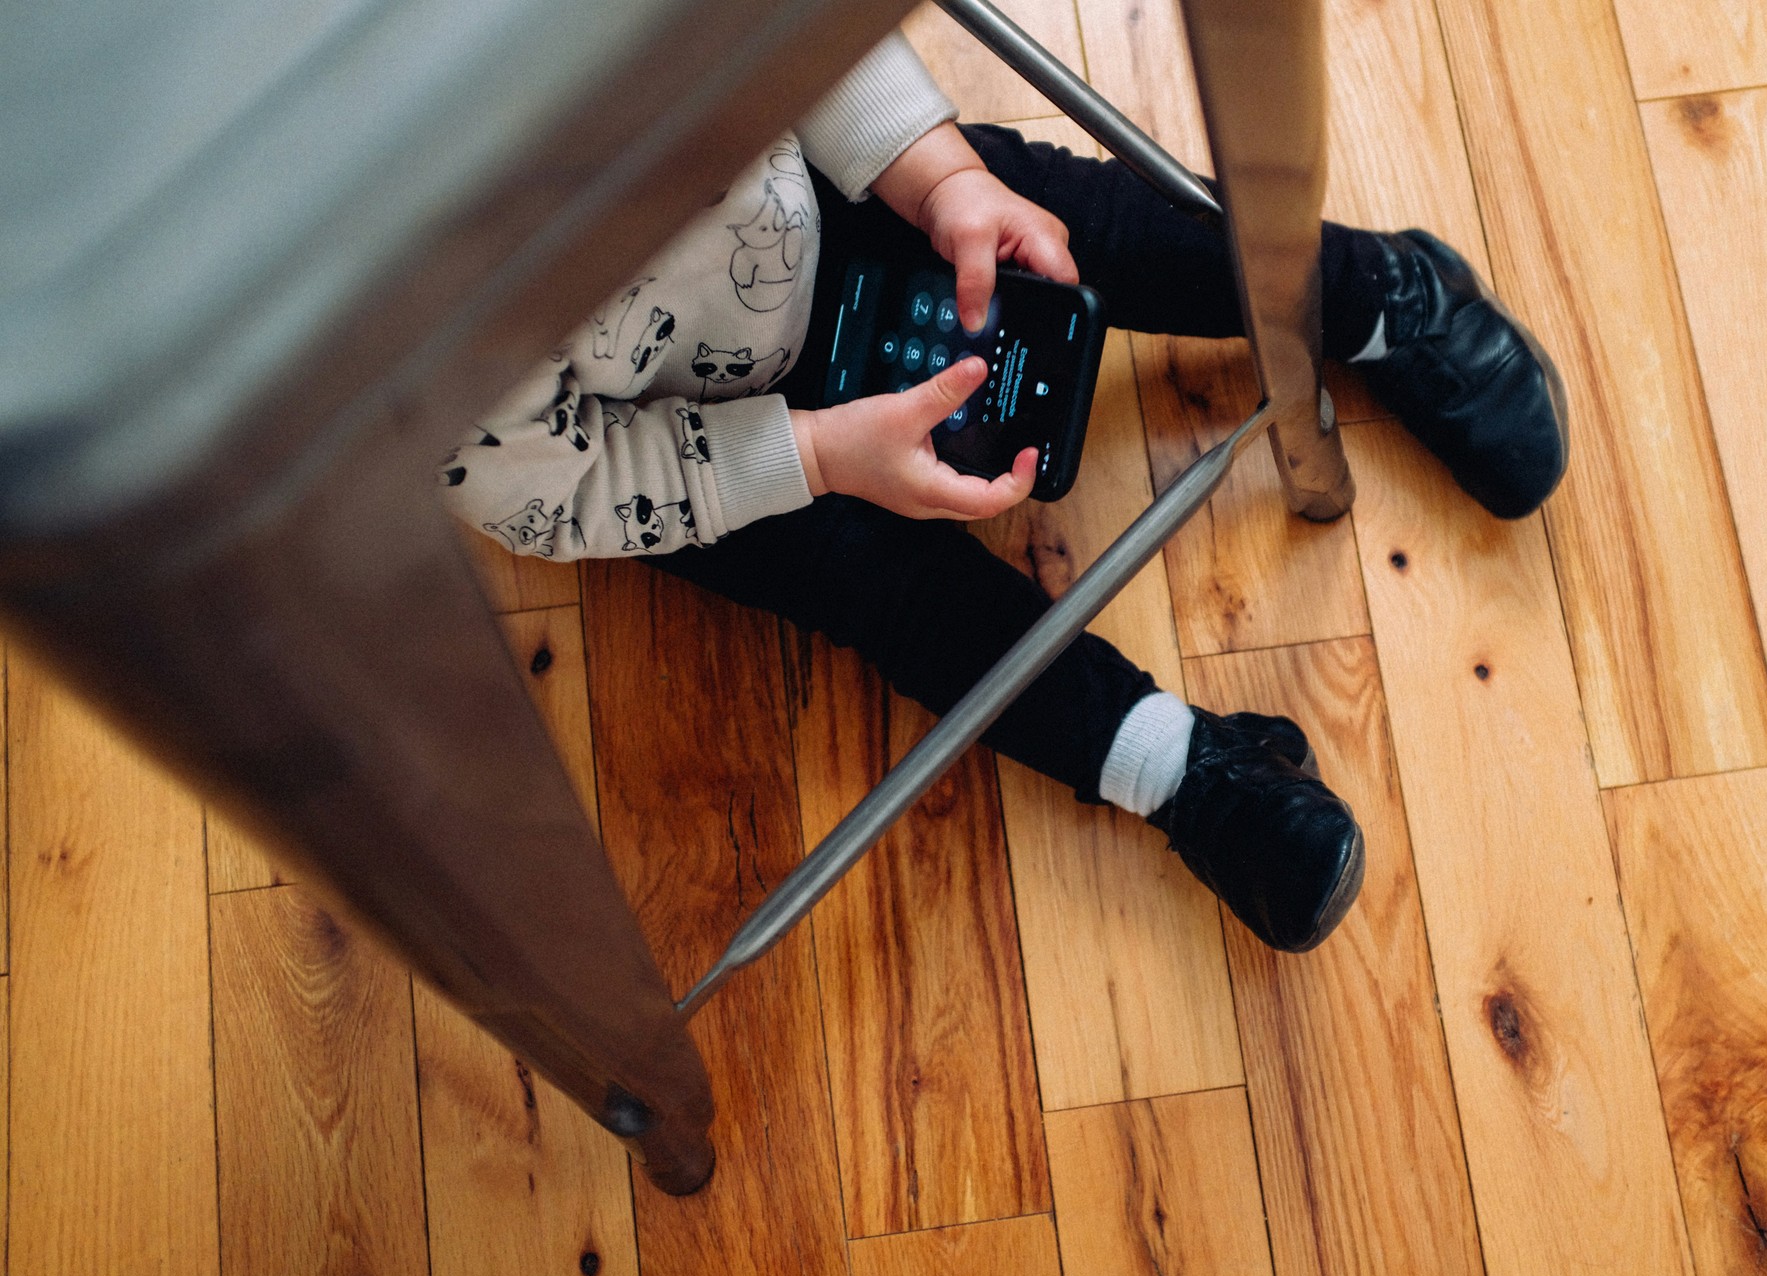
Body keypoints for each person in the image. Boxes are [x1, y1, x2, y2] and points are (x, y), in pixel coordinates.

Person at [443, 35, 1566, 953]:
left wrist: (940, 176)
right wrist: (820, 454)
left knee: (1086, 237)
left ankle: (1377, 293)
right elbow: (563, 488)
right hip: (705, 437)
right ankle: (1179, 771)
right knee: (887, 595)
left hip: (842, 192)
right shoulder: (368, 374)